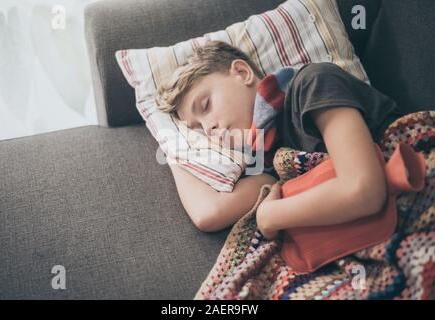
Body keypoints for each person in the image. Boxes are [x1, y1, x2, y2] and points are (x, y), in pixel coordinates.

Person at [155, 40, 405, 238]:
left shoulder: (312, 83)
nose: (208, 127)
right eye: (198, 130)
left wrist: (269, 216)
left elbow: (365, 190)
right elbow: (209, 213)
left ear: (241, 72)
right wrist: (172, 147)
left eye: (206, 105)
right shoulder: (265, 161)